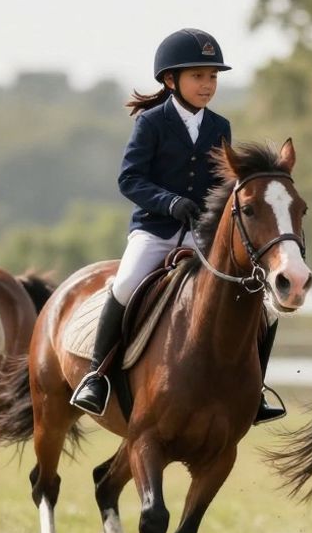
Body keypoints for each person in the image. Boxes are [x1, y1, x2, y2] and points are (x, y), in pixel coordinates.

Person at [69, 28, 285, 423]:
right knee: (127, 282)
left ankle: (256, 391)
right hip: (155, 230)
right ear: (172, 80)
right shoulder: (152, 122)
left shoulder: (220, 125)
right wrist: (170, 202)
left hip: (203, 235)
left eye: (213, 77)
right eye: (198, 76)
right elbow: (129, 179)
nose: (207, 85)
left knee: (266, 306)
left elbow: (224, 186)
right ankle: (96, 376)